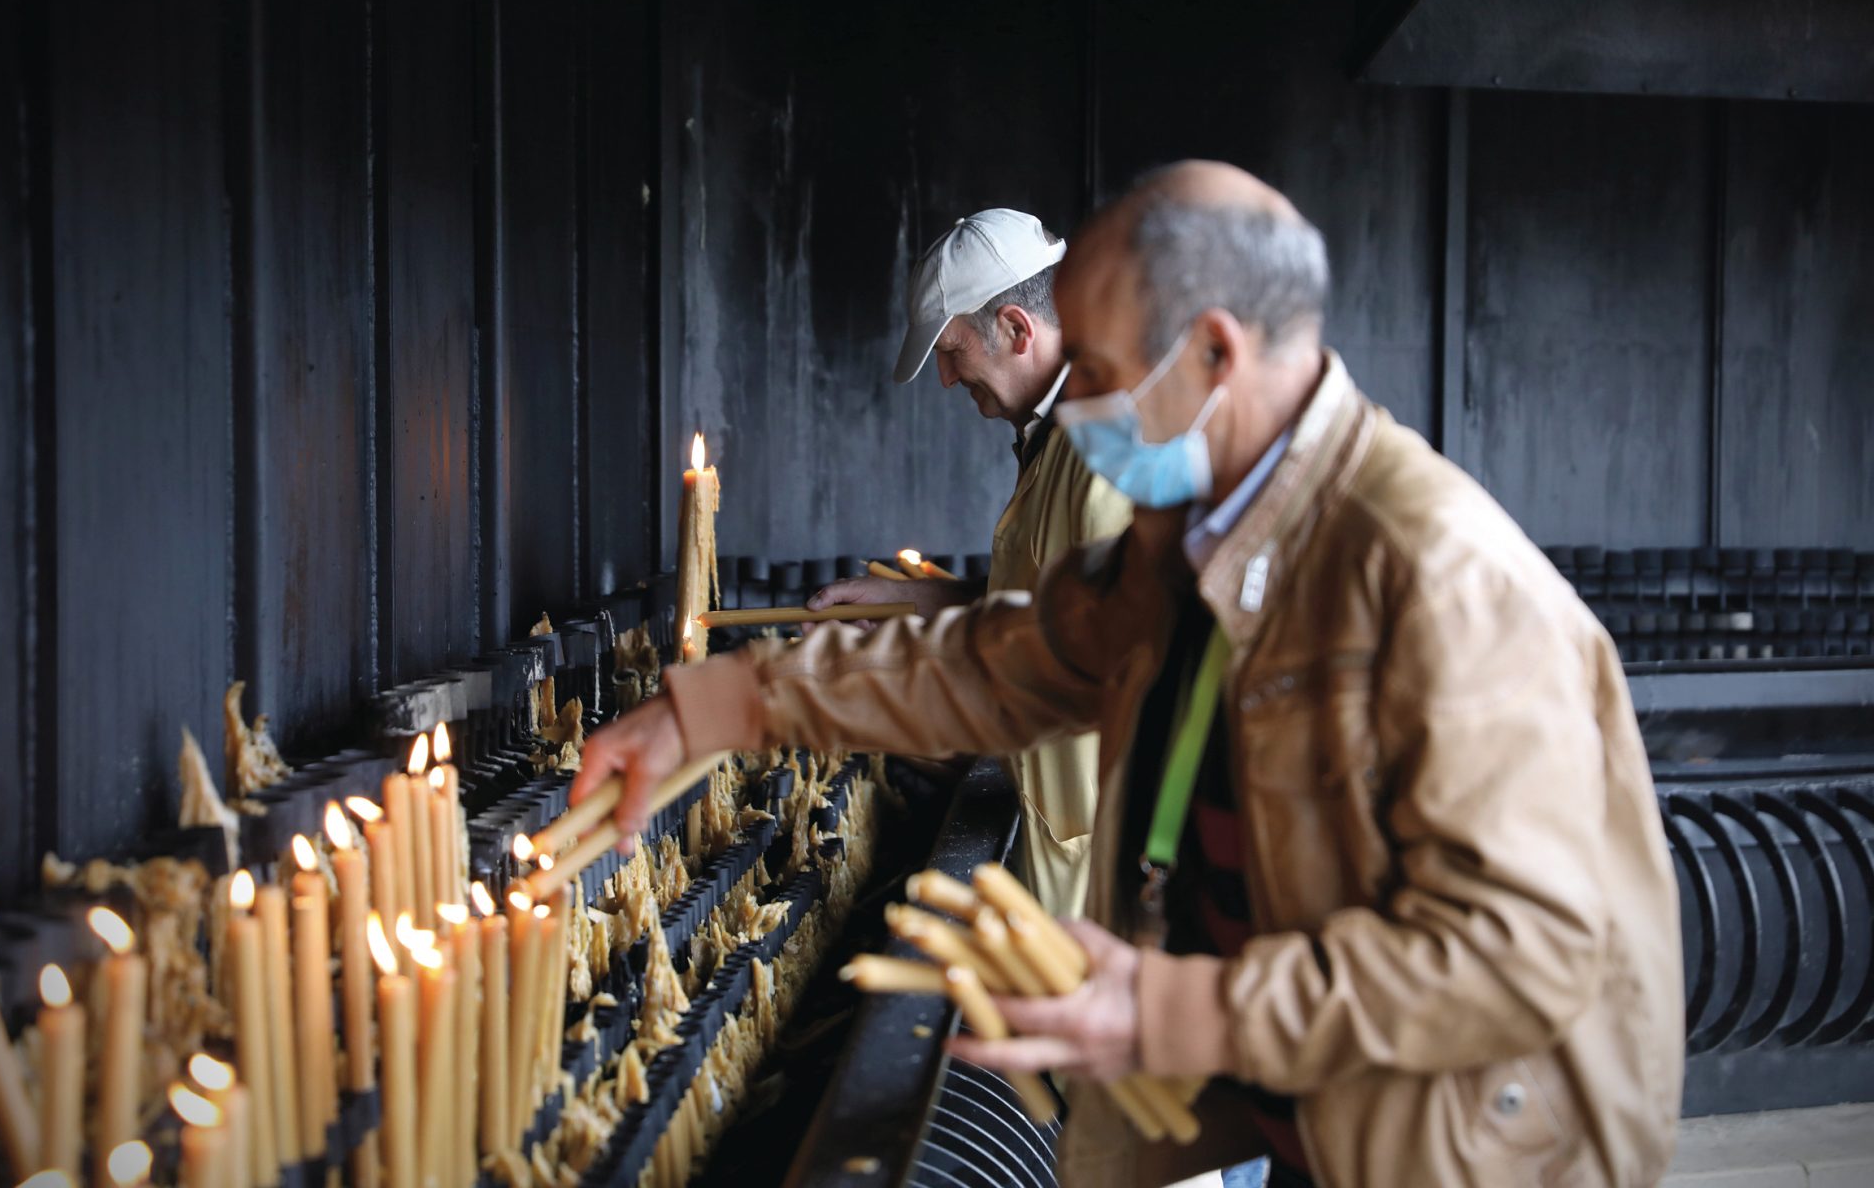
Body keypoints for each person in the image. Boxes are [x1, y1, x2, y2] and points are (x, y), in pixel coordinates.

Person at [573, 161, 1683, 1188]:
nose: (1079, 407)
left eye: (1097, 369)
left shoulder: (1439, 579)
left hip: (1460, 1146)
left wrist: (1175, 1012)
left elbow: (1516, 956)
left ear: (1211, 352)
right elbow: (1008, 657)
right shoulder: (1200, 532)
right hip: (1281, 1102)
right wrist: (719, 705)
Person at [805, 208, 1132, 917]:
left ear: (1018, 329)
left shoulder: (1110, 449)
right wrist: (919, 604)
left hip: (1110, 884)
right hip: (1066, 859)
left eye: (953, 352)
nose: (947, 381)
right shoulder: (1057, 433)